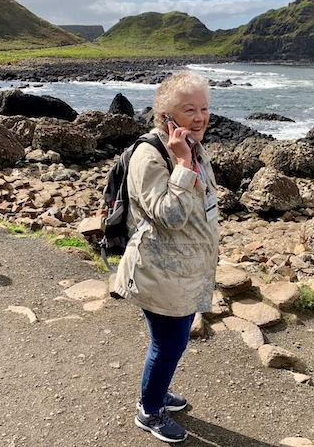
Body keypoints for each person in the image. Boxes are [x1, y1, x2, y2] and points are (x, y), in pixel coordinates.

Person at [114, 71, 219, 443]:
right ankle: (149, 408)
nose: (200, 116)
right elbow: (170, 216)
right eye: (189, 109)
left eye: (204, 108)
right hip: (160, 270)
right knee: (168, 344)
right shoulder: (152, 155)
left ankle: (157, 391)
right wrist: (181, 164)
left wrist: (186, 158)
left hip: (183, 268)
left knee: (171, 341)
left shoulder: (190, 146)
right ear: (165, 116)